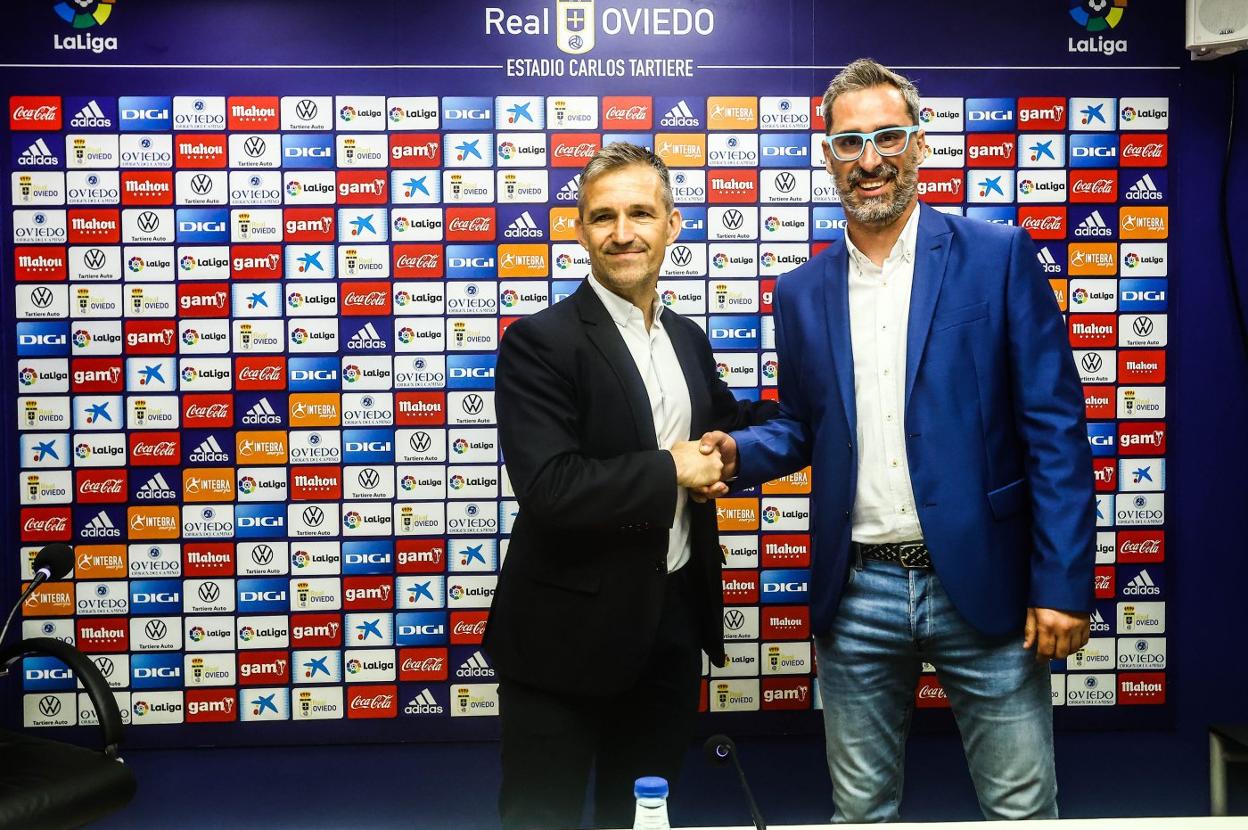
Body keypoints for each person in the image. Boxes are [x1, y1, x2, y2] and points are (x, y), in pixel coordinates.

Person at [698, 59, 1096, 821]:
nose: (869, 160)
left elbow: (1055, 429)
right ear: (827, 156)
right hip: (857, 593)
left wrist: (1062, 583)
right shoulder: (801, 289)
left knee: (1021, 808)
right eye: (849, 144)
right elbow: (805, 425)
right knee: (861, 812)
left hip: (986, 587)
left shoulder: (997, 254)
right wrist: (738, 454)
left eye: (886, 137)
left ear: (919, 143)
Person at [485, 142, 778, 830]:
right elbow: (552, 489)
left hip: (669, 627)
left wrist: (819, 410)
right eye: (603, 216)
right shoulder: (540, 342)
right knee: (541, 819)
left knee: (644, 818)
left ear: (673, 224)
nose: (623, 233)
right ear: (579, 229)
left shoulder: (685, 336)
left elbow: (726, 431)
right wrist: (676, 467)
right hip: (562, 640)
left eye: (641, 213)